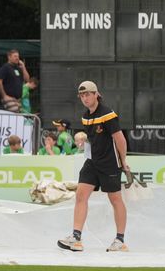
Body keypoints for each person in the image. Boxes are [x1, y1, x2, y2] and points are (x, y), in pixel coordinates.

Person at [58, 80, 129, 253]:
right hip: (92, 162)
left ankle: (120, 241)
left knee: (115, 199)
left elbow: (120, 139)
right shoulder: (85, 116)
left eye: (88, 94)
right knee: (81, 195)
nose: (85, 98)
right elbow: (95, 139)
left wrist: (124, 162)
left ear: (96, 94)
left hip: (110, 163)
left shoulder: (108, 114)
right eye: (82, 95)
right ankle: (76, 238)